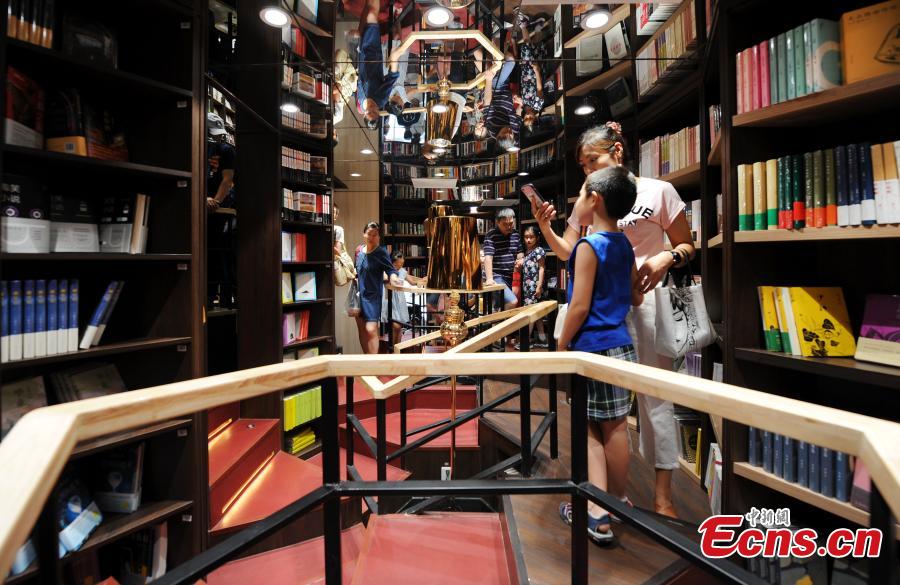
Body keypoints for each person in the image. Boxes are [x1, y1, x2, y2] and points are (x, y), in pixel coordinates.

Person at [532, 122, 696, 518]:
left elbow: (687, 243)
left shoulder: (658, 191)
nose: (588, 171)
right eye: (584, 165)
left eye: (594, 160)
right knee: (608, 417)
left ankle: (661, 494)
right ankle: (613, 497)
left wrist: (665, 258)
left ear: (618, 152)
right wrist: (546, 227)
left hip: (644, 306)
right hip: (606, 315)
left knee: (656, 400)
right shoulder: (589, 200)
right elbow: (569, 251)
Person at [557, 167, 643, 544]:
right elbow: (635, 296)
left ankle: (598, 510)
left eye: (582, 195)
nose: (577, 203)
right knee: (617, 427)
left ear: (596, 200)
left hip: (593, 348)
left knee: (592, 430)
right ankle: (614, 503)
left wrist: (561, 343)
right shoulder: (624, 244)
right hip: (622, 346)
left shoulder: (588, 247)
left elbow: (577, 306)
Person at [355, 222, 402, 354]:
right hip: (359, 295)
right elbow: (356, 269)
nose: (372, 237)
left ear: (379, 237)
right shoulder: (359, 250)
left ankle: (374, 362)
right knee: (362, 330)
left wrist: (394, 278)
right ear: (364, 234)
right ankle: (368, 360)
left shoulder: (381, 252)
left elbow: (391, 270)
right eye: (369, 234)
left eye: (375, 235)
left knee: (371, 329)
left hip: (373, 296)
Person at [357, 0, 404, 129]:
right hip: (373, 51)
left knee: (366, 11)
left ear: (364, 115)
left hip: (360, 52)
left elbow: (359, 78)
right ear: (379, 114)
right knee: (372, 14)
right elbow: (392, 77)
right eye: (375, 113)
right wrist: (394, 58)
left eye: (369, 113)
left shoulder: (360, 104)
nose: (372, 109)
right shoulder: (381, 99)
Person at [475, 40, 521, 152]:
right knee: (484, 58)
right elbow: (518, 116)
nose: (510, 130)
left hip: (495, 88)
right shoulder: (514, 131)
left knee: (509, 61)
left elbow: (487, 103)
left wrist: (489, 80)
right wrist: (520, 103)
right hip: (506, 87)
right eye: (512, 133)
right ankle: (494, 38)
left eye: (507, 132)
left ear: (498, 136)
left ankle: (494, 38)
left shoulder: (492, 127)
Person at [483, 208, 524, 314]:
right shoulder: (491, 235)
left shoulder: (516, 234)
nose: (509, 227)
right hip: (496, 276)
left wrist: (521, 260)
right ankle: (498, 325)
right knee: (512, 301)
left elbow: (519, 253)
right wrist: (489, 279)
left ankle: (495, 325)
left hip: (510, 276)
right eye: (505, 224)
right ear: (497, 222)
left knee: (499, 306)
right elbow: (488, 258)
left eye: (511, 223)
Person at [382, 251, 426, 345]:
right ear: (393, 262)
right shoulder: (387, 270)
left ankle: (397, 349)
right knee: (396, 326)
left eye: (402, 263)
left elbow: (412, 282)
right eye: (398, 264)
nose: (400, 266)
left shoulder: (402, 271)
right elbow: (384, 280)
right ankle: (393, 348)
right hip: (390, 299)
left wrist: (422, 280)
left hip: (400, 300)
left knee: (399, 327)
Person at [513, 7, 544, 132]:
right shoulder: (538, 105)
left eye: (526, 118)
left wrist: (517, 99)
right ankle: (523, 23)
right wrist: (536, 71)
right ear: (535, 117)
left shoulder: (524, 106)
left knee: (530, 47)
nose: (528, 116)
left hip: (524, 74)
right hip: (532, 73)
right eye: (530, 118)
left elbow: (516, 94)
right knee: (527, 45)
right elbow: (539, 88)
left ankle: (534, 26)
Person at [521, 225, 547, 346]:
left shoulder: (539, 250)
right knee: (537, 314)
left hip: (535, 286)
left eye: (531, 237)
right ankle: (542, 339)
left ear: (537, 238)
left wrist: (539, 286)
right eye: (526, 237)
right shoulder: (526, 252)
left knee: (531, 313)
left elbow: (542, 268)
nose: (528, 240)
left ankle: (525, 341)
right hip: (527, 287)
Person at [206, 112, 235, 211]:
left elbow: (227, 179)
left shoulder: (226, 150)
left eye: (220, 134)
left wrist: (215, 201)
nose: (218, 137)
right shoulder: (195, 148)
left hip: (219, 204)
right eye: (214, 134)